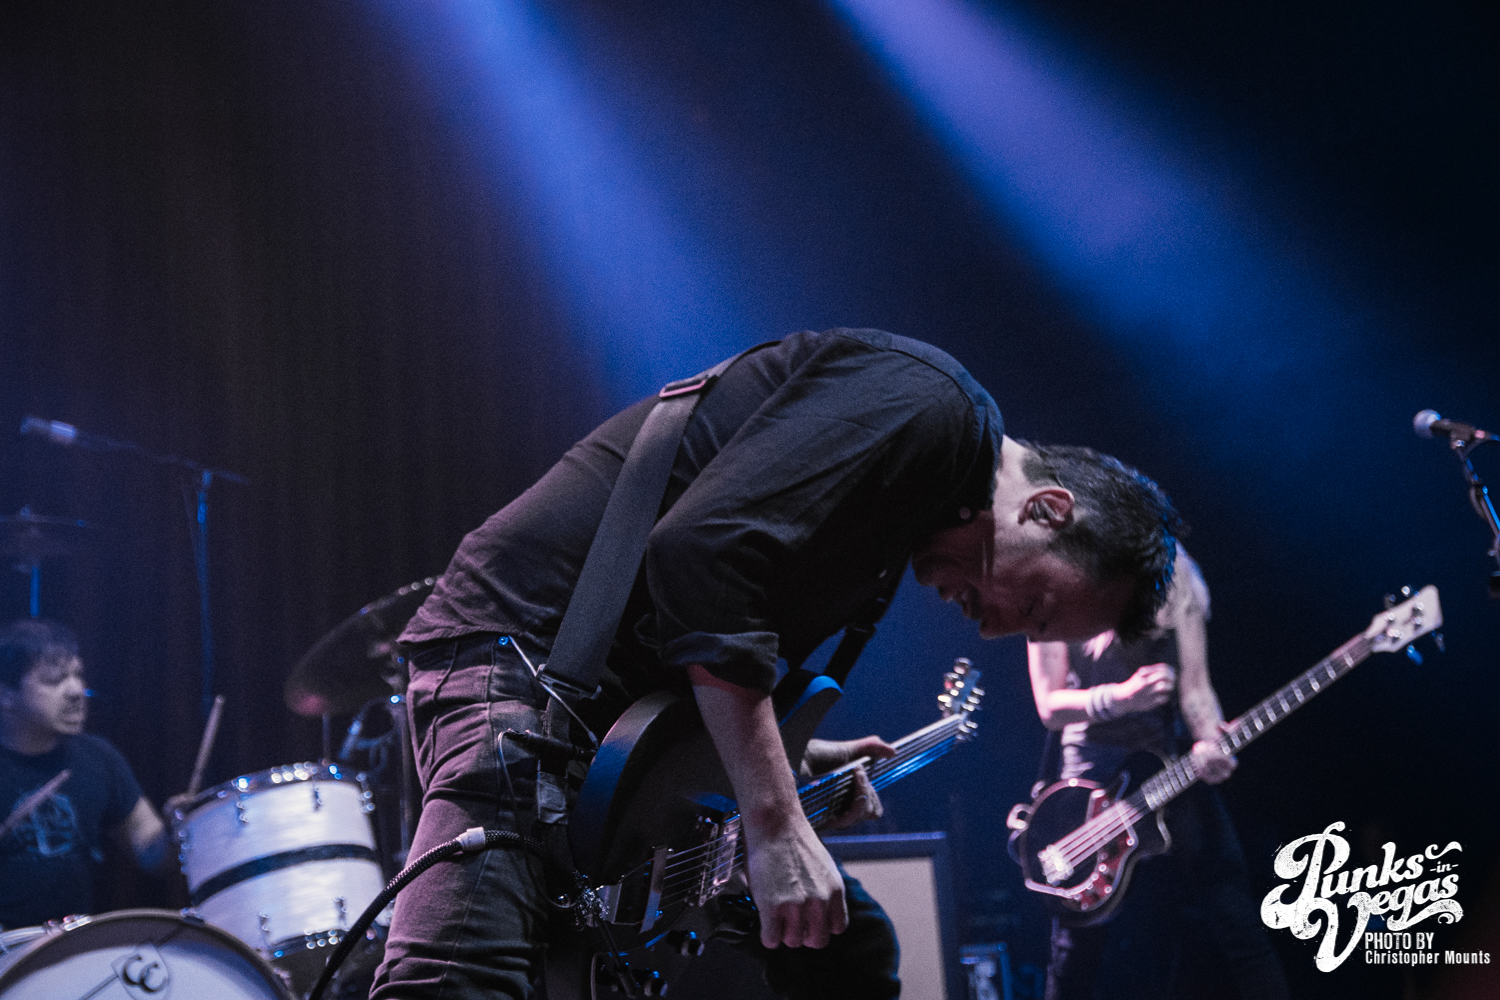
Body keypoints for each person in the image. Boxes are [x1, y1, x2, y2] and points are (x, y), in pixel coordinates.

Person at [372, 327, 1181, 999]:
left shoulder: (916, 496)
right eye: (1035, 608)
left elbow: (706, 629)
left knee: (846, 951)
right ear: (1047, 509)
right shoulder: (932, 410)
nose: (1000, 631)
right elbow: (702, 553)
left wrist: (791, 758)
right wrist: (774, 818)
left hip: (611, 707)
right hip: (526, 653)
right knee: (455, 979)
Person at [1026, 548, 1290, 1000]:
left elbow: (1196, 689)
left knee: (1237, 917)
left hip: (1167, 769)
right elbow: (1049, 705)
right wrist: (1121, 698)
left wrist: (1209, 739)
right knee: (1075, 953)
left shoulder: (1174, 572)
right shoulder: (1051, 580)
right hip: (1089, 781)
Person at [0, 618, 169, 930]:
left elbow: (151, 854)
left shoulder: (96, 757)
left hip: (78, 944)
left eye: (78, 675)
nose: (76, 691)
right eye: (54, 680)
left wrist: (182, 828)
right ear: (6, 694)